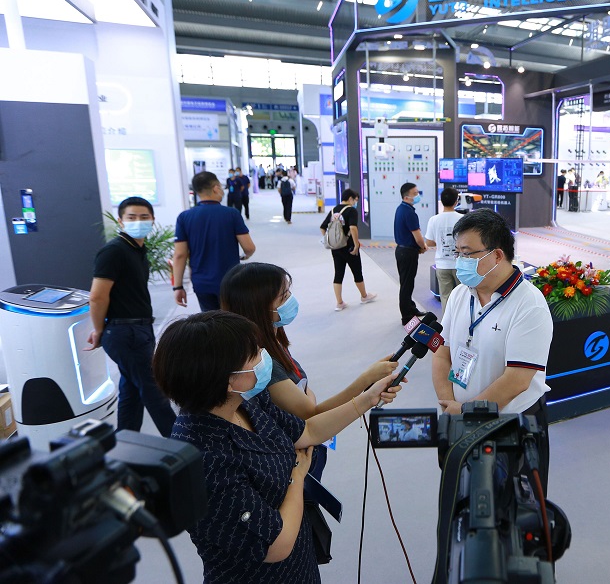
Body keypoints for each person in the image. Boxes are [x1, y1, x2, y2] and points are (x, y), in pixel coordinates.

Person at [153, 310, 399, 584]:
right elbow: (276, 545)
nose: (263, 357)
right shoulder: (205, 459)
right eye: (254, 355)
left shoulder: (246, 401)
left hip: (299, 565)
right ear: (227, 380)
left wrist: (367, 399)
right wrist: (296, 477)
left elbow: (308, 431)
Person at [220, 262, 393, 475]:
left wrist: (307, 400)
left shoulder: (274, 338)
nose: (290, 300)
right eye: (284, 297)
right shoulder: (261, 363)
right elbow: (311, 415)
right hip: (297, 460)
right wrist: (366, 381)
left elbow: (306, 397)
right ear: (260, 307)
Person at [432, 209, 553, 490]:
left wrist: (466, 411)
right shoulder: (461, 294)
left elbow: (517, 380)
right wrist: (450, 406)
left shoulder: (529, 305)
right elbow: (442, 352)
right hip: (461, 419)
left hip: (511, 425)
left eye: (467, 254)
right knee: (461, 498)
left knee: (511, 506)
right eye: (457, 253)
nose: (460, 262)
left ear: (497, 255)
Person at [86, 196, 176, 437]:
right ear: (121, 221)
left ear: (153, 220)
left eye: (144, 217)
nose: (138, 221)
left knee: (131, 392)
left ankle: (125, 442)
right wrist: (99, 330)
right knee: (154, 391)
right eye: (132, 217)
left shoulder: (137, 250)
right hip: (125, 333)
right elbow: (97, 296)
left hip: (138, 330)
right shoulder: (114, 251)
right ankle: (186, 446)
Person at [173, 171, 257, 312]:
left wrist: (178, 287)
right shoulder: (232, 214)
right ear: (216, 188)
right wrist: (245, 256)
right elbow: (249, 247)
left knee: (211, 321)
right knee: (233, 320)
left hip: (202, 283)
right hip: (230, 282)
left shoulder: (184, 217)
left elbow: (180, 255)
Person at [319, 189, 376, 311]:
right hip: (349, 247)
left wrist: (330, 241)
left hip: (336, 248)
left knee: (338, 273)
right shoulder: (351, 210)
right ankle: (364, 296)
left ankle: (339, 303)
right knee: (357, 271)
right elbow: (353, 228)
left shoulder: (334, 210)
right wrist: (356, 245)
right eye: (355, 200)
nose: (355, 203)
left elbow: (322, 227)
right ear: (350, 198)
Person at [394, 182, 428, 326]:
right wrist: (423, 246)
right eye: (415, 194)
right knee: (406, 285)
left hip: (403, 251)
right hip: (407, 252)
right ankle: (407, 316)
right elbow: (418, 237)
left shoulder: (401, 209)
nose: (417, 196)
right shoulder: (409, 213)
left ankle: (411, 308)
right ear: (406, 197)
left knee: (407, 282)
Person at [425, 187, 463, 313]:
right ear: (456, 201)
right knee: (462, 296)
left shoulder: (434, 219)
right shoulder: (463, 219)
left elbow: (429, 242)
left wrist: (441, 242)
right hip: (460, 265)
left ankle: (447, 322)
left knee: (445, 296)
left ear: (441, 201)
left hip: (442, 265)